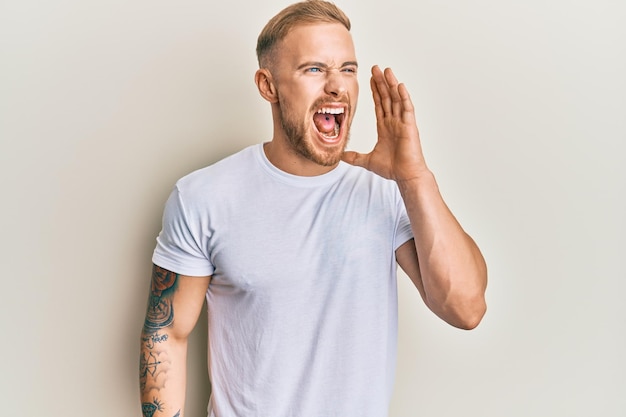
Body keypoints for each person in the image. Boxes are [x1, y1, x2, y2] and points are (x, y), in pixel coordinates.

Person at [139, 1, 487, 416]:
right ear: (268, 86)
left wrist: (414, 178)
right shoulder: (205, 196)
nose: (337, 86)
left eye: (348, 69)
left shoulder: (386, 190)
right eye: (314, 69)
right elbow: (167, 334)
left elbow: (466, 309)